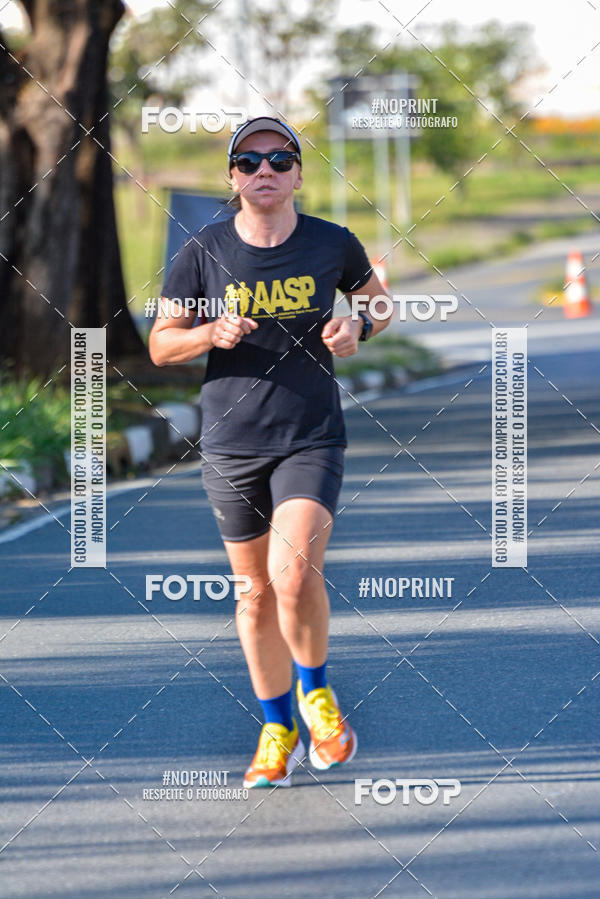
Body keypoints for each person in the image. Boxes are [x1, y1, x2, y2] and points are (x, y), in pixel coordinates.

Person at [149, 116, 391, 788]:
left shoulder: (331, 243)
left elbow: (379, 303)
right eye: (250, 161)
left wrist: (358, 325)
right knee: (253, 592)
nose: (265, 171)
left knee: (291, 572)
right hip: (230, 440)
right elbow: (161, 343)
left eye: (280, 160)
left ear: (298, 174)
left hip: (310, 433)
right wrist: (208, 333)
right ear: (232, 176)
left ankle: (317, 696)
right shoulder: (204, 250)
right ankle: (276, 727)